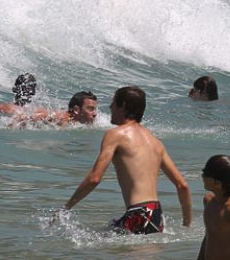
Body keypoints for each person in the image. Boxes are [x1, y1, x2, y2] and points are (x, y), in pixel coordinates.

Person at [63, 86, 193, 233]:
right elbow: (183, 185)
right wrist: (187, 225)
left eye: (113, 102)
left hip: (138, 214)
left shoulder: (115, 135)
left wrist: (66, 207)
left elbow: (95, 178)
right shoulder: (155, 142)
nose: (110, 107)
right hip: (156, 214)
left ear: (123, 106)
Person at [0, 84, 99, 127]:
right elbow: (40, 115)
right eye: (90, 109)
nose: (95, 113)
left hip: (21, 109)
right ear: (77, 110)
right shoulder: (63, 118)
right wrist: (12, 126)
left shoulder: (76, 122)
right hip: (15, 111)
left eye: (95, 109)